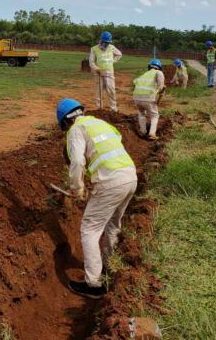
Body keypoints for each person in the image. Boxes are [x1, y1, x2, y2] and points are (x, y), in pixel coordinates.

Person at [56, 98, 137, 299]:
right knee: (112, 225)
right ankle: (109, 268)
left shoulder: (76, 130)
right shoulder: (100, 123)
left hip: (111, 182)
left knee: (89, 229)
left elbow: (76, 162)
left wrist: (77, 188)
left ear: (66, 122)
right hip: (130, 176)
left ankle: (94, 284)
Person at [89, 31, 122, 111]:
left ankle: (113, 109)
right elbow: (91, 62)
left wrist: (112, 61)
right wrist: (97, 69)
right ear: (101, 40)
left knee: (111, 91)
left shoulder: (112, 47)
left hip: (109, 73)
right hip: (99, 74)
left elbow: (119, 54)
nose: (106, 44)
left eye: (107, 42)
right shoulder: (94, 49)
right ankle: (99, 109)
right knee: (99, 93)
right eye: (105, 42)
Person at [132, 59, 165, 139]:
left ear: (149, 66)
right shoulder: (159, 72)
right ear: (159, 67)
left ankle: (143, 131)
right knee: (155, 115)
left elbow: (135, 82)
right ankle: (152, 133)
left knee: (141, 113)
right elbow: (161, 87)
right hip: (148, 97)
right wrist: (161, 91)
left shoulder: (144, 74)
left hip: (136, 98)